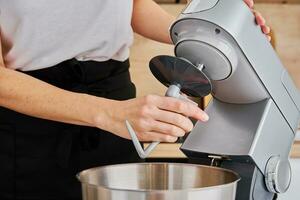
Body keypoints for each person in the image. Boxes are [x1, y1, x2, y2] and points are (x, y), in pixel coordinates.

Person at [0, 0, 270, 199]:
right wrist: (109, 114)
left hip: (115, 100)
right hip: (31, 118)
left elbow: (131, 6)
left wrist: (204, 31)